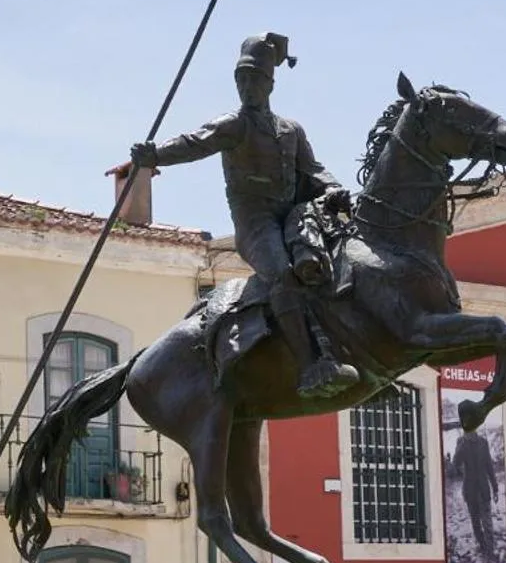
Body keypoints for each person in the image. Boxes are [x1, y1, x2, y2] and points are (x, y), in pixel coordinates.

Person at [128, 33, 358, 398]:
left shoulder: (291, 130)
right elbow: (194, 142)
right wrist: (155, 154)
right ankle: (310, 367)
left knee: (340, 262)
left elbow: (314, 170)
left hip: (294, 219)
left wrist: (334, 189)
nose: (247, 86)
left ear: (270, 84)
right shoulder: (234, 125)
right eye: (241, 79)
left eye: (254, 78)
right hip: (255, 224)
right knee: (283, 274)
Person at [452, 426, 500, 563]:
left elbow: (489, 466)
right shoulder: (461, 441)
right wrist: (461, 443)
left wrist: (495, 489)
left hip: (483, 490)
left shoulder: (483, 442)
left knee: (488, 523)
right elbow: (456, 463)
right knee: (475, 523)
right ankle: (483, 546)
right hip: (469, 490)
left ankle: (490, 553)